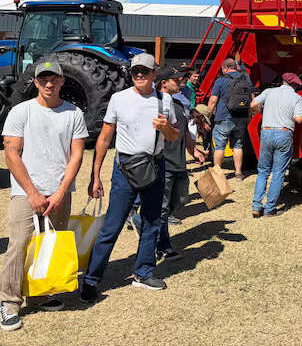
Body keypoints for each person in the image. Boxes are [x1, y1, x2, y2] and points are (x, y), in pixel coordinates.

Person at [81, 53, 178, 303]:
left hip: (155, 166)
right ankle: (91, 279)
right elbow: (104, 138)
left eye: (144, 72)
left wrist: (164, 128)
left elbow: (174, 136)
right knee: (112, 225)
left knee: (152, 222)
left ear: (154, 75)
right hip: (125, 168)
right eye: (135, 72)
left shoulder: (164, 100)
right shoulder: (119, 99)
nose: (139, 76)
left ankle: (143, 273)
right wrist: (96, 176)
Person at [1, 61, 88, 331]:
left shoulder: (74, 113)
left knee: (49, 245)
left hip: (59, 194)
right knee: (18, 245)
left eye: (54, 79)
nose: (49, 84)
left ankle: (39, 295)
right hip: (26, 193)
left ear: (63, 81)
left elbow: (76, 154)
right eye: (44, 79)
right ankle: (9, 302)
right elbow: (11, 154)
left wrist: (61, 191)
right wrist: (32, 193)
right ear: (36, 82)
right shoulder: (21, 111)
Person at [250, 72, 302, 217]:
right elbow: (299, 119)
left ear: (283, 82)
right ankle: (269, 209)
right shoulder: (297, 98)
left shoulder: (269, 92)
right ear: (295, 86)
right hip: (283, 133)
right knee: (278, 173)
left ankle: (256, 206)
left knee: (263, 171)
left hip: (266, 132)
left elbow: (253, 104)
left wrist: (261, 112)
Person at [155, 67, 192, 259]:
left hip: (180, 162)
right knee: (161, 207)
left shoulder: (177, 103)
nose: (181, 83)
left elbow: (184, 132)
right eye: (176, 81)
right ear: (164, 83)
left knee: (181, 199)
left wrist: (195, 151)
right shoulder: (155, 104)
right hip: (165, 162)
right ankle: (163, 246)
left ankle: (142, 218)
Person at [208, 58, 254, 181]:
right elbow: (252, 99)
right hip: (241, 117)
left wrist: (208, 115)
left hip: (223, 117)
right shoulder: (246, 79)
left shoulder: (220, 80)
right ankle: (238, 173)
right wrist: (249, 116)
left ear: (225, 68)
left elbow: (213, 101)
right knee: (238, 145)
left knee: (220, 146)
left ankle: (218, 174)